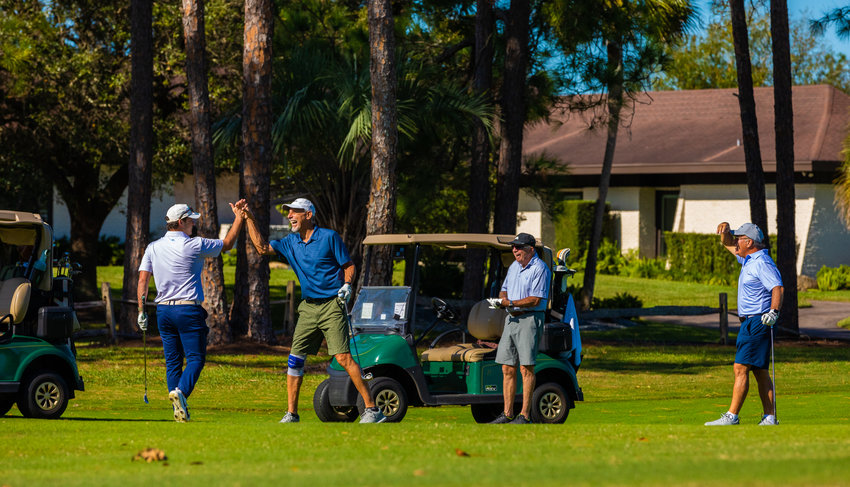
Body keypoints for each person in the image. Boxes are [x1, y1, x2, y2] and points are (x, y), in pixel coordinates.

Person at [234, 197, 385, 424]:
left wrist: (347, 285)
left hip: (332, 305)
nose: (290, 216)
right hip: (308, 308)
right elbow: (262, 248)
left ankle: (372, 410)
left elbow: (349, 265)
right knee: (295, 359)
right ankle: (292, 414)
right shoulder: (290, 242)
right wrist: (249, 219)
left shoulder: (328, 237)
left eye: (295, 212)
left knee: (343, 357)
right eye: (289, 212)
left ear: (308, 215)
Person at [136, 203, 244, 422]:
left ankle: (178, 409)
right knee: (195, 359)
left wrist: (141, 311)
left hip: (163, 311)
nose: (194, 223)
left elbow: (142, 280)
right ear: (181, 222)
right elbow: (228, 244)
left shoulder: (153, 247)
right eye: (191, 220)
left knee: (173, 362)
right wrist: (239, 218)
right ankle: (181, 393)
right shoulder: (194, 244)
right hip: (187, 310)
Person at [705, 222, 783, 426]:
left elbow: (777, 288)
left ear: (749, 242)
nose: (736, 241)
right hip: (750, 322)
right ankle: (769, 416)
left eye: (740, 238)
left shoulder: (761, 262)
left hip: (757, 320)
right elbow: (727, 243)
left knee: (740, 367)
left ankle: (732, 416)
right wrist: (725, 231)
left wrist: (774, 311)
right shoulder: (747, 259)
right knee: (759, 370)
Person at [488, 232, 551, 424]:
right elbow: (504, 288)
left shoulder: (540, 269)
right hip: (511, 320)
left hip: (530, 319)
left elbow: (535, 299)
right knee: (507, 367)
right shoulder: (514, 266)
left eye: (519, 247)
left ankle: (525, 415)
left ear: (530, 250)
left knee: (526, 368)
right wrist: (503, 300)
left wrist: (511, 302)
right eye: (513, 247)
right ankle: (507, 414)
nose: (515, 250)